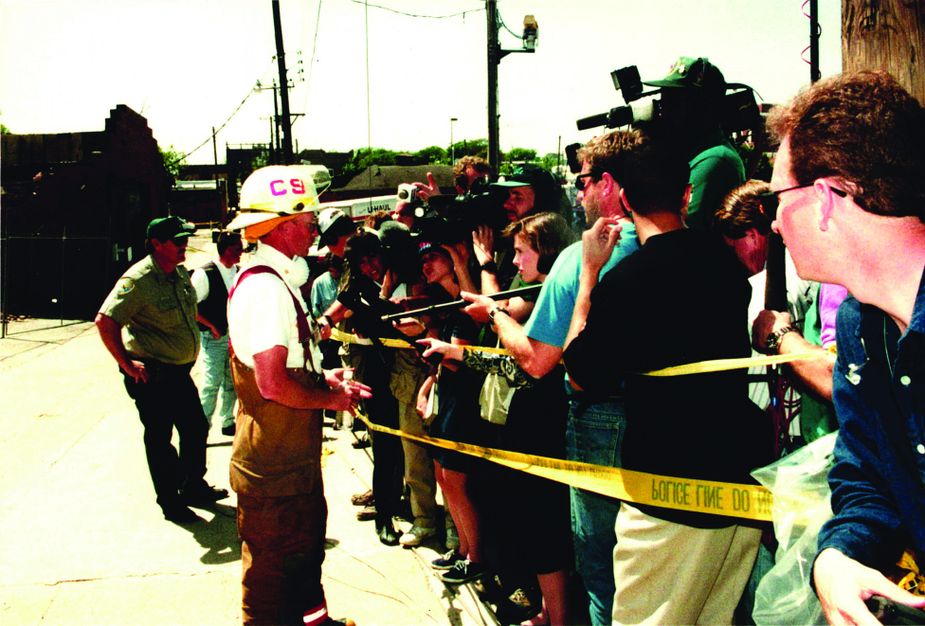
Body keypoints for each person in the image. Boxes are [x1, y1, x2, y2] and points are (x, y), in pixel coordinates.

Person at [562, 129, 769, 625]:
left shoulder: (626, 282)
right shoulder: (723, 263)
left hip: (667, 497)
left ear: (626, 198)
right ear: (687, 194)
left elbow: (579, 374)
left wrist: (591, 272)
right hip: (736, 484)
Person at [764, 71, 925, 625]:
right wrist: (837, 556)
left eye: (777, 198)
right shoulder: (861, 324)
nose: (775, 222)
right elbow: (866, 476)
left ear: (826, 199)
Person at [461, 130, 640, 626]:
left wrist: (494, 316)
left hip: (597, 419)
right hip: (664, 417)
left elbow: (538, 360)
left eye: (583, 182)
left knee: (603, 569)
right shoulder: (663, 243)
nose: (578, 192)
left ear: (606, 184)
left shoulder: (575, 257)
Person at [224, 165, 372, 626]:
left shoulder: (275, 278)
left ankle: (316, 622)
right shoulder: (267, 288)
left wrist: (323, 379)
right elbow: (271, 384)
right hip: (274, 465)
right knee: (271, 573)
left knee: (304, 555)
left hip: (289, 459)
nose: (315, 230)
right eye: (308, 220)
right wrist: (333, 400)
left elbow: (282, 370)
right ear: (284, 223)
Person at [420, 212, 576, 626]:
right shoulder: (537, 291)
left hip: (543, 429)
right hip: (524, 428)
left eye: (523, 253)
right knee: (532, 527)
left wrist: (489, 314)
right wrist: (456, 352)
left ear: (546, 253)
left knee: (546, 531)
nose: (516, 262)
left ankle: (557, 617)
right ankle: (547, 612)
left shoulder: (547, 296)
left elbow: (529, 365)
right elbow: (507, 359)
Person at [95, 216, 228, 524]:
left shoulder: (179, 273)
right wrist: (126, 364)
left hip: (179, 374)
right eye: (177, 240)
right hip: (153, 376)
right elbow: (105, 320)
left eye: (184, 239)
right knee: (160, 439)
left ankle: (192, 486)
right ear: (156, 244)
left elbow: (188, 306)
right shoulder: (139, 280)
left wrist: (209, 325)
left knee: (195, 428)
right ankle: (170, 502)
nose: (184, 245)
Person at [643, 55, 745, 229]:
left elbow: (673, 234)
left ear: (703, 108)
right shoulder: (690, 155)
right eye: (663, 101)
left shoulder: (714, 161)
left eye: (672, 102)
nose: (663, 111)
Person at [191, 230, 243, 437]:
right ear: (227, 249)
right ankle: (202, 426)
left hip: (234, 337)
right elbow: (190, 307)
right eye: (238, 249)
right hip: (215, 338)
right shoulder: (205, 274)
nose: (241, 253)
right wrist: (211, 326)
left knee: (232, 381)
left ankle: (228, 420)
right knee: (212, 383)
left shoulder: (238, 272)